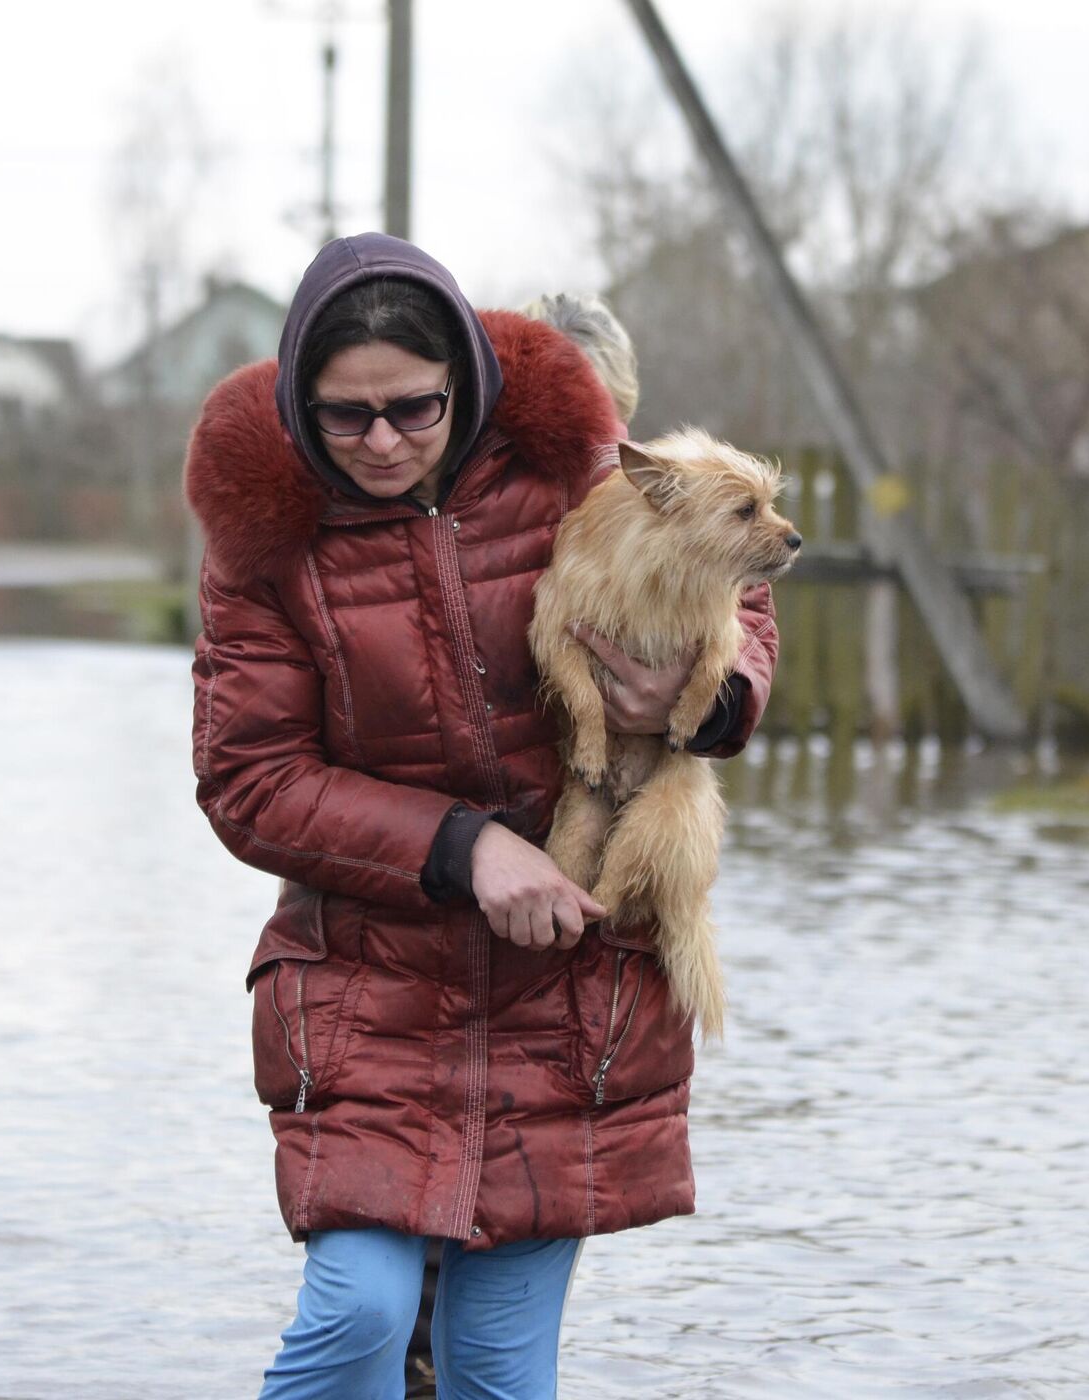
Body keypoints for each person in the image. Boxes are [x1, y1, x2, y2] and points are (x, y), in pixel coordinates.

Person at [186, 232, 778, 1400]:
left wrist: (709, 697)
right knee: (357, 1314)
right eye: (344, 418)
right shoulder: (264, 544)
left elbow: (736, 578)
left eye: (412, 407)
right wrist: (462, 848)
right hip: (369, 987)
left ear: (462, 379)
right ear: (300, 405)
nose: (383, 441)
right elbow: (248, 777)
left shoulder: (569, 458)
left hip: (564, 986)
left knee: (498, 1367)